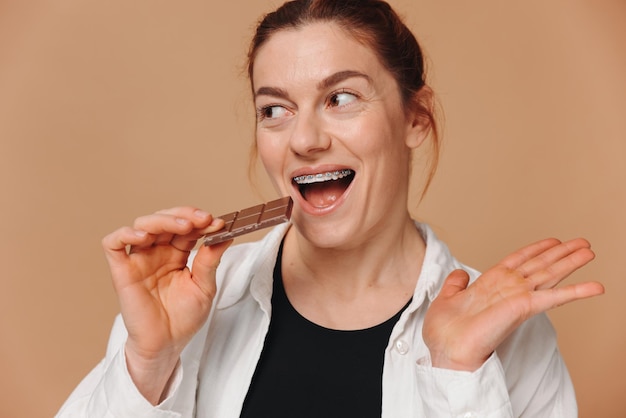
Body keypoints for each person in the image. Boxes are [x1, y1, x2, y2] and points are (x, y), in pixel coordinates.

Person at [57, 0, 605, 416]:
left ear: (415, 118)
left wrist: (455, 378)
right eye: (275, 109)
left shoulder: (505, 332)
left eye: (341, 98)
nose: (304, 138)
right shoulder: (189, 306)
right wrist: (149, 364)